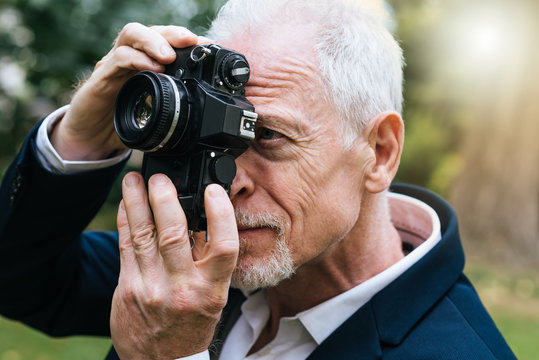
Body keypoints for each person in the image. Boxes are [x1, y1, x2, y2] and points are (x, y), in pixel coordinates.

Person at [0, 0, 516, 359]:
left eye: (265, 135)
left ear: (379, 152)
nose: (227, 182)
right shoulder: (198, 271)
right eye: (213, 139)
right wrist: (82, 138)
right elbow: (18, 279)